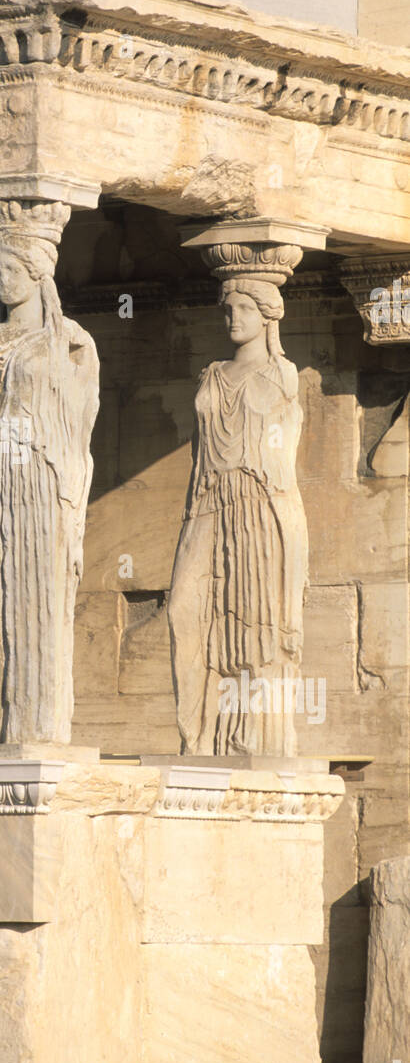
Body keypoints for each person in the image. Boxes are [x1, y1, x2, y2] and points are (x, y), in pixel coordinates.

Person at [0, 210, 99, 744]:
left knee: (33, 598)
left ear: (37, 274)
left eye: (11, 269)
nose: (1, 280)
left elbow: (79, 428)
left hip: (36, 477)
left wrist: (67, 501)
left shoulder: (72, 343)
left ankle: (31, 730)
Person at [168, 276, 308, 756]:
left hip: (260, 505)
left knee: (255, 621)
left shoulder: (282, 376)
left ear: (268, 317)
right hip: (207, 501)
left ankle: (251, 739)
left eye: (244, 308)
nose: (233, 317)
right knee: (184, 610)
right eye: (227, 309)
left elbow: (283, 451)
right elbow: (198, 452)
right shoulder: (211, 375)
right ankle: (199, 733)